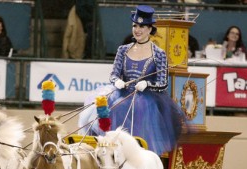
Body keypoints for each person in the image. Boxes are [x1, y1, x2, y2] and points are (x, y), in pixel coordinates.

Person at [78, 5, 187, 155]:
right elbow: (113, 75)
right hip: (122, 93)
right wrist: (116, 82)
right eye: (135, 25)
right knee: (101, 106)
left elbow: (163, 83)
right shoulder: (123, 49)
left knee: (123, 107)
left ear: (150, 29)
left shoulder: (159, 54)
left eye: (142, 26)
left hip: (146, 100)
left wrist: (147, 84)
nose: (137, 29)